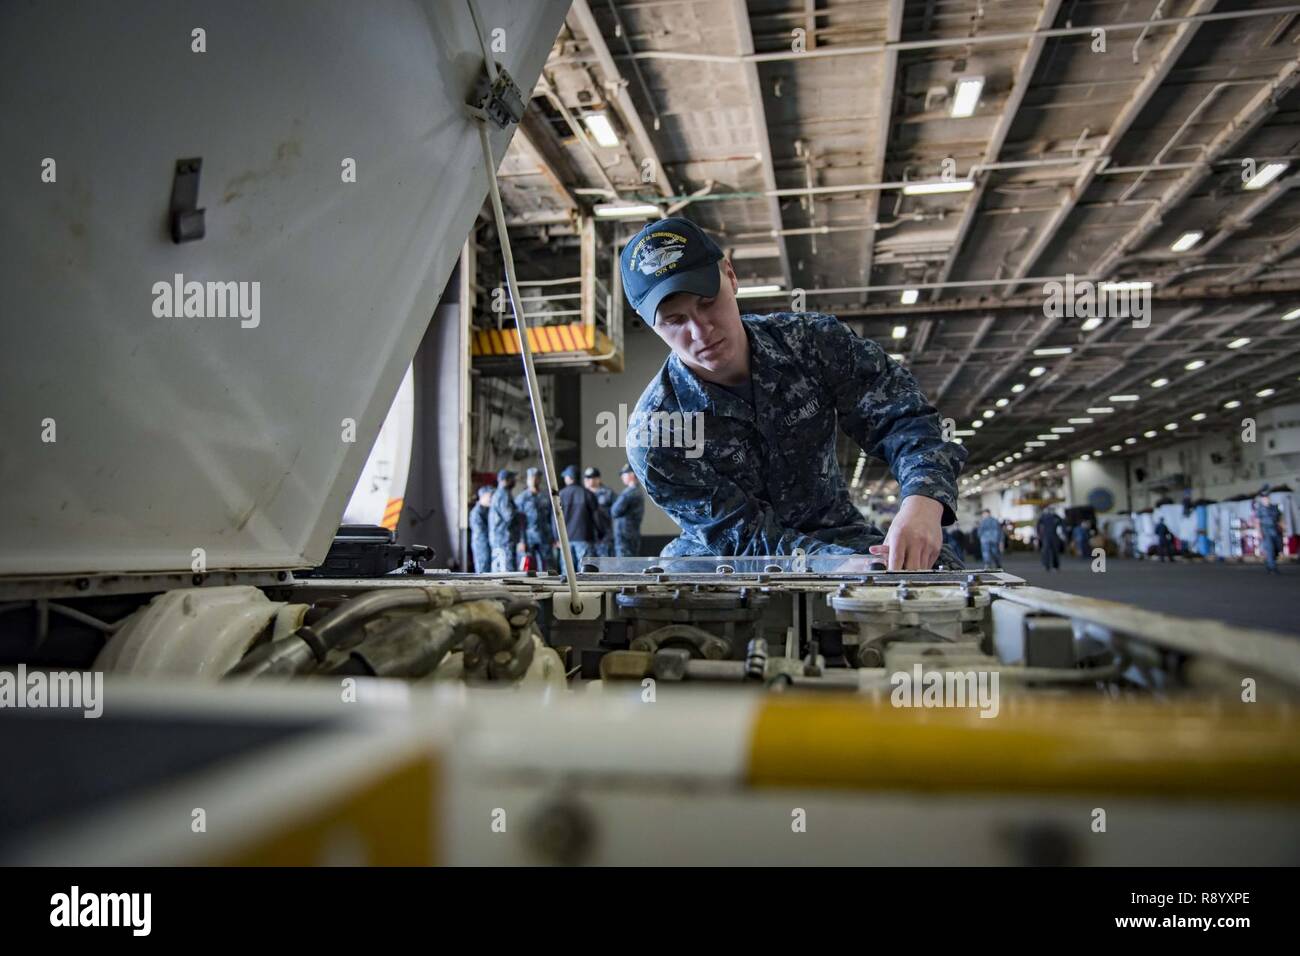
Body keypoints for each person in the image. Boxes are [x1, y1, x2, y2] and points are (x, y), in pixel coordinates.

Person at [619, 216, 967, 570]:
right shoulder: (656, 434)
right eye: (675, 320)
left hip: (835, 532)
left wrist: (923, 500)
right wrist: (835, 567)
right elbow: (744, 538)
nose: (700, 330)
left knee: (939, 572)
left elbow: (902, 417)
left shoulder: (812, 343)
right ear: (651, 325)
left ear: (731, 275)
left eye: (707, 302)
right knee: (673, 592)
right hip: (729, 556)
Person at [559, 464, 605, 570]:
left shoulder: (560, 495)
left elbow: (554, 518)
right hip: (584, 538)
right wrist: (601, 533)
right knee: (584, 571)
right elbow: (596, 517)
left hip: (566, 539)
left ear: (569, 478)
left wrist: (557, 537)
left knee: (567, 571)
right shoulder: (587, 494)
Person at [515, 466, 556, 572]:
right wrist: (520, 540)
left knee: (548, 566)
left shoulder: (546, 497)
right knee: (527, 567)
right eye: (531, 477)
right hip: (528, 538)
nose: (534, 480)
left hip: (545, 536)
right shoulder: (521, 498)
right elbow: (519, 521)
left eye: (536, 477)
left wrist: (555, 537)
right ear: (528, 480)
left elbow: (552, 518)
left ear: (540, 479)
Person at [488, 468, 523, 572]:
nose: (514, 481)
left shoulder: (501, 493)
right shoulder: (503, 494)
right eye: (512, 479)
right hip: (504, 539)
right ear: (505, 480)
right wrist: (521, 514)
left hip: (501, 538)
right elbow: (509, 515)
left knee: (500, 569)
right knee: (507, 571)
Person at [611, 463, 645, 556]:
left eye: (624, 474)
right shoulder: (636, 491)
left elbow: (615, 511)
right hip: (630, 533)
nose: (622, 477)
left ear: (632, 475)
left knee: (625, 564)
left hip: (625, 534)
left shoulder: (630, 493)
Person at [584, 467, 616, 557]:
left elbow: (616, 511)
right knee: (588, 566)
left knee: (605, 564)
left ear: (598, 479)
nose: (590, 481)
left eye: (593, 478)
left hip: (605, 535)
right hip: (588, 535)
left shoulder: (607, 492)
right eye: (587, 478)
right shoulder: (582, 494)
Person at [1255, 488, 1284, 574]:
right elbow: (1257, 521)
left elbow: (1280, 518)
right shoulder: (1260, 509)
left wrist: (1282, 527)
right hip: (1266, 530)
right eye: (1264, 498)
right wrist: (1259, 532)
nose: (1265, 499)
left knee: (1277, 549)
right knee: (1270, 548)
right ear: (1262, 499)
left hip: (1275, 530)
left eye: (1267, 497)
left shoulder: (1274, 507)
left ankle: (1269, 563)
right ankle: (1273, 567)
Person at [468, 485, 493, 573]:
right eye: (490, 496)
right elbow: (481, 531)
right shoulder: (476, 512)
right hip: (481, 544)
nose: (491, 499)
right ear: (483, 496)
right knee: (483, 569)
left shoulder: (487, 510)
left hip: (487, 543)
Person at [1036, 506, 1064, 571]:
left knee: (1055, 551)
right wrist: (1039, 534)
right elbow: (1038, 525)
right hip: (1046, 536)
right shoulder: (1044, 516)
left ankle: (1055, 566)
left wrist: (1063, 533)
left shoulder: (1056, 516)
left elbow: (1062, 524)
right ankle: (1047, 566)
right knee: (1046, 551)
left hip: (1054, 536)